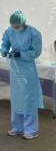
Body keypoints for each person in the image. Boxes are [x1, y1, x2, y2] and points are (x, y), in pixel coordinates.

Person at [1, 10, 43, 139]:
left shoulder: (33, 33)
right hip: (15, 69)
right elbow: (4, 45)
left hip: (27, 69)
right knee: (16, 98)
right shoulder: (9, 31)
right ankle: (17, 127)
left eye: (17, 26)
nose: (15, 28)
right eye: (14, 26)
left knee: (28, 99)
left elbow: (36, 51)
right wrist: (5, 52)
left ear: (24, 23)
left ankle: (31, 130)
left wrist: (22, 54)